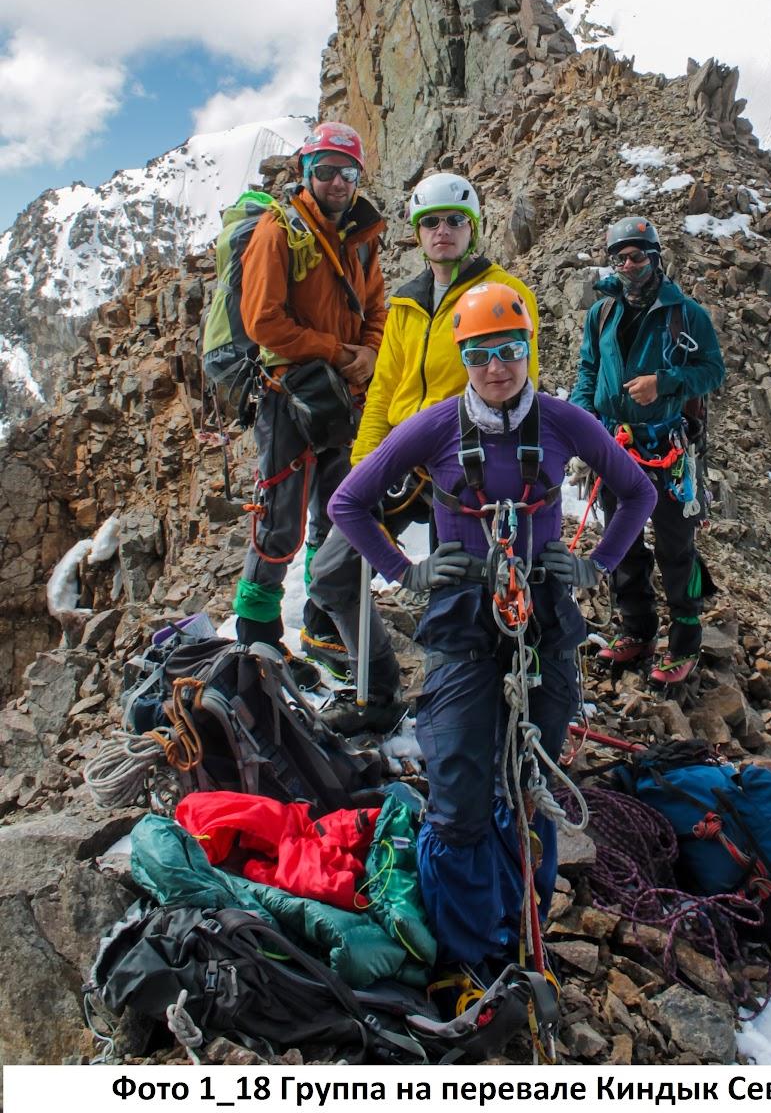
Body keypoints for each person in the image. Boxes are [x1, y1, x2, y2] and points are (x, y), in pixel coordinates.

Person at [328, 282, 657, 980]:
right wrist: (404, 570)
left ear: (528, 351)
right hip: (462, 619)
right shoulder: (437, 425)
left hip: (541, 615)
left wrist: (598, 564)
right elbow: (348, 500)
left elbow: (639, 492)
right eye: (480, 354)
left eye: (509, 351)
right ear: (464, 357)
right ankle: (469, 956)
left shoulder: (564, 421)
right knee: (458, 786)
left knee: (529, 780)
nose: (496, 368)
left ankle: (516, 931)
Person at [303, 173, 540, 730]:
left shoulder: (504, 293)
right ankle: (378, 689)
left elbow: (520, 382)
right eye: (430, 222)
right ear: (416, 232)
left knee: (466, 589)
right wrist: (364, 466)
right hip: (405, 458)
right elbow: (384, 388)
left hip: (468, 463)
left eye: (455, 221)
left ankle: (466, 702)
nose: (442, 232)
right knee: (333, 572)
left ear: (472, 228)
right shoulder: (406, 302)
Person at [231, 122, 386, 655]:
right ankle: (257, 635)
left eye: (347, 172)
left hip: (343, 394)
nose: (337, 182)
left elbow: (376, 309)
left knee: (336, 509)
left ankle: (322, 621)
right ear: (305, 173)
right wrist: (338, 352)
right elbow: (263, 322)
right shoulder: (278, 233)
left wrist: (368, 350)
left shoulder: (363, 239)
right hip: (288, 394)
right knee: (279, 517)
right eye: (324, 171)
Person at [570, 216, 725, 686]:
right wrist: (582, 425)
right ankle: (637, 630)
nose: (629, 265)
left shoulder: (685, 314)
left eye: (638, 256)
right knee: (625, 547)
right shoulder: (601, 314)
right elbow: (587, 372)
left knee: (676, 548)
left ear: (656, 259)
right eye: (621, 258)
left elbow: (712, 370)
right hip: (615, 450)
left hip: (668, 452)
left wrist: (666, 383)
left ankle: (684, 642)